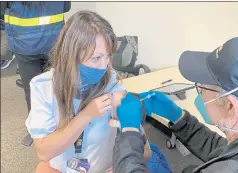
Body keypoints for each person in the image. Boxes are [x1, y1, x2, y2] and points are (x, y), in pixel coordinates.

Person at [113, 36, 238, 173]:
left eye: (202, 88)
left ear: (230, 106)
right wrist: (180, 119)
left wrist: (130, 133)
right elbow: (224, 150)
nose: (200, 95)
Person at [25, 11, 151, 173]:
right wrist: (86, 115)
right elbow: (43, 152)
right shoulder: (44, 87)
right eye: (96, 58)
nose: (105, 66)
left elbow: (146, 153)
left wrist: (129, 121)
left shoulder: (112, 83)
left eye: (108, 56)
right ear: (70, 55)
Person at [2, 1, 71, 146]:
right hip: (54, 42)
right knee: (58, 85)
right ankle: (62, 126)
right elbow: (66, 7)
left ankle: (38, 131)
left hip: (24, 45)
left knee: (33, 90)